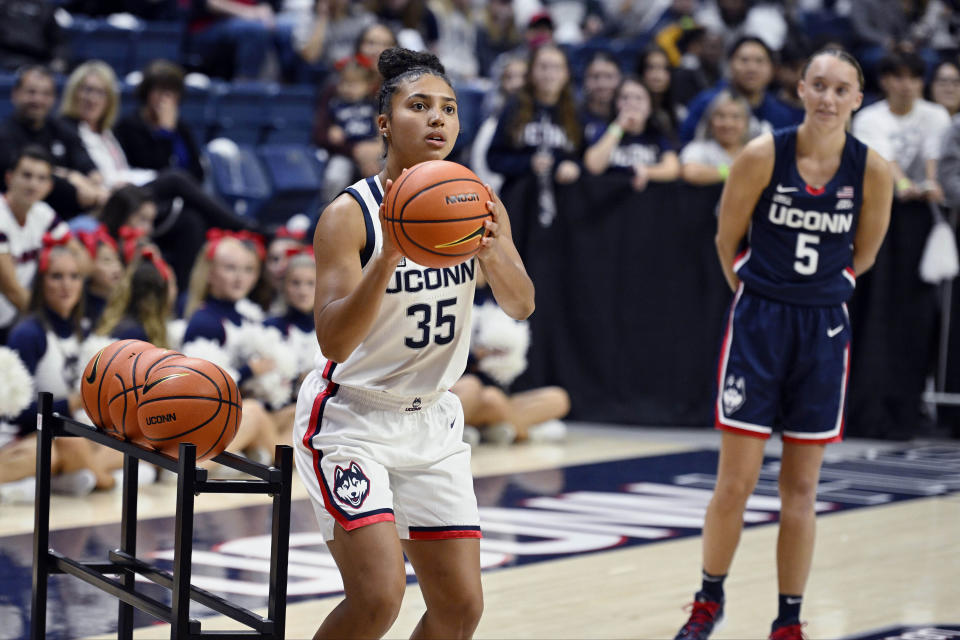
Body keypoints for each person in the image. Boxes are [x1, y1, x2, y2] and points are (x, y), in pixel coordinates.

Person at [292, 47, 534, 639]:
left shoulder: (475, 201)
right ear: (384, 124)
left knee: (460, 607)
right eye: (419, 106)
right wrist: (390, 257)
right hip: (353, 416)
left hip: (432, 422)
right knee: (377, 598)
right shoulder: (351, 215)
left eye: (448, 109)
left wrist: (492, 249)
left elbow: (522, 303)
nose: (437, 119)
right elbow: (334, 340)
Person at [673, 49, 892, 640]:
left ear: (856, 98)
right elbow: (727, 239)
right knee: (735, 484)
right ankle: (707, 600)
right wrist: (759, 294)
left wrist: (823, 291)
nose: (827, 97)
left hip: (822, 329)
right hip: (761, 323)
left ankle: (788, 619)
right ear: (800, 90)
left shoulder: (872, 170)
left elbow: (865, 254)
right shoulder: (762, 154)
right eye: (818, 85)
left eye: (840, 89)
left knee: (801, 489)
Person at [0, 239, 116, 496]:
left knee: (131, 439)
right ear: (42, 282)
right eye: (57, 276)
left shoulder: (84, 329)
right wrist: (74, 403)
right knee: (60, 449)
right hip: (26, 436)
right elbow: (18, 413)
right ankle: (97, 477)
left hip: (67, 434)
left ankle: (73, 476)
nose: (67, 285)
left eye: (74, 277)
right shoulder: (28, 333)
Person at [0, 145, 88, 344]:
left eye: (41, 178)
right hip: (13, 318)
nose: (33, 184)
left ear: (49, 186)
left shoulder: (43, 213)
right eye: (27, 175)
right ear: (9, 178)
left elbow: (83, 262)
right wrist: (51, 323)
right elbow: (12, 290)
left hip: (16, 318)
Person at [0, 65, 108, 218]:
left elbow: (84, 160)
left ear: (53, 99)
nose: (38, 99)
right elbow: (27, 176)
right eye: (31, 92)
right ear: (15, 94)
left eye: (45, 94)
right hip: (27, 216)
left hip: (75, 214)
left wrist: (95, 182)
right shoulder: (5, 134)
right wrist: (72, 179)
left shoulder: (60, 127)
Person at [678, 36, 800, 144]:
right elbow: (686, 144)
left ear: (772, 69)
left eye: (759, 61)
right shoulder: (706, 103)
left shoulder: (782, 113)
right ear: (730, 65)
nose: (751, 68)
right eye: (744, 60)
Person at [583, 76, 680, 190]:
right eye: (625, 98)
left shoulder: (657, 133)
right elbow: (594, 166)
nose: (631, 103)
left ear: (650, 107)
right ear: (616, 104)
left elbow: (673, 169)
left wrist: (646, 171)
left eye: (638, 98)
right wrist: (618, 127)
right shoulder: (604, 130)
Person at [312, 55, 382, 205]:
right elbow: (324, 130)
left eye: (354, 84)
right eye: (344, 83)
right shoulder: (335, 104)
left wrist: (378, 146)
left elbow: (380, 128)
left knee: (385, 171)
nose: (348, 88)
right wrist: (333, 130)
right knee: (335, 176)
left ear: (369, 85)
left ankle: (381, 209)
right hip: (344, 153)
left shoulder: (372, 105)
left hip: (371, 151)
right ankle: (329, 208)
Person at [680, 90, 751, 185]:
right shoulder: (698, 148)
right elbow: (690, 172)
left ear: (746, 123)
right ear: (710, 121)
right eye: (721, 116)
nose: (728, 124)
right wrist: (730, 171)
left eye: (736, 117)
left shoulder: (753, 151)